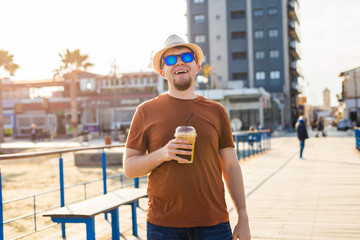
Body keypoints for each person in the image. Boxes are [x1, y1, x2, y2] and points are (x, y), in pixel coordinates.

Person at [124, 35, 251, 240]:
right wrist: (163, 154)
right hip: (163, 225)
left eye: (186, 56)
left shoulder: (217, 111)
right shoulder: (145, 111)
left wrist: (243, 217)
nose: (179, 62)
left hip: (214, 223)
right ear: (162, 71)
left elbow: (230, 166)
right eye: (171, 59)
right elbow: (130, 168)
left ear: (197, 66)